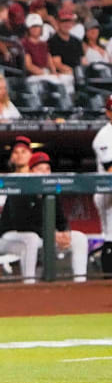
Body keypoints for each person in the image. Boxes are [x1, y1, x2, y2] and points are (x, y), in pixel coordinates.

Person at [0, 152, 89, 283]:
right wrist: (51, 234)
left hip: (42, 237)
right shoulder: (21, 188)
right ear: (31, 171)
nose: (45, 173)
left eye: (47, 169)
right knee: (31, 238)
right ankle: (29, 282)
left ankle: (80, 280)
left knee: (79, 238)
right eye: (40, 169)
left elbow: (61, 220)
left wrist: (65, 232)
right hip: (10, 238)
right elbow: (21, 224)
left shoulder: (52, 192)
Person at [92, 98, 112, 278]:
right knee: (111, 236)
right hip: (108, 193)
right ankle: (107, 282)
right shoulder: (104, 135)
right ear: (108, 113)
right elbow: (111, 168)